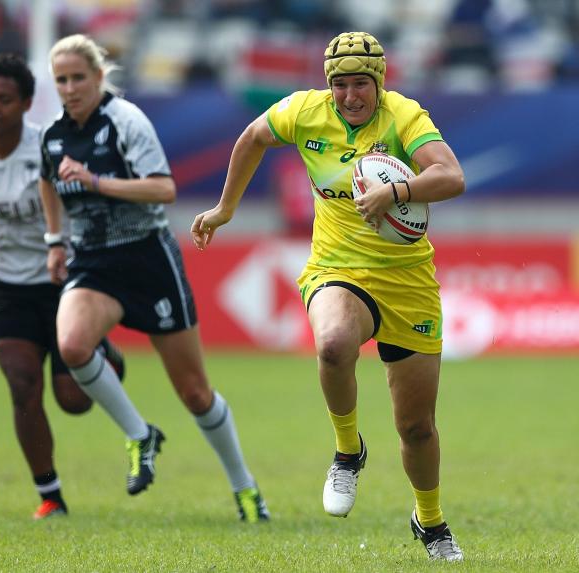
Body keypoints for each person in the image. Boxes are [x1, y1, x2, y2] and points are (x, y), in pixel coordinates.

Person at [192, 32, 465, 560]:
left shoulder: (404, 116)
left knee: (416, 427)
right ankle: (348, 451)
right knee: (334, 344)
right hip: (336, 268)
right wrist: (226, 209)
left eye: (361, 83)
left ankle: (429, 521)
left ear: (379, 83)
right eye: (339, 85)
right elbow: (252, 138)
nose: (350, 96)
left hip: (407, 283)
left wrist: (397, 192)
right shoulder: (305, 112)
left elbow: (451, 176)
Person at [37, 34, 269, 522]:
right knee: (73, 346)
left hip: (147, 259)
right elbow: (47, 178)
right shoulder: (53, 135)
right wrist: (55, 241)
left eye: (79, 77)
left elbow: (164, 189)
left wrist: (98, 182)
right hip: (94, 262)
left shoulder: (126, 121)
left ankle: (245, 487)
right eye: (62, 79)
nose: (71, 87)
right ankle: (140, 434)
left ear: (99, 77)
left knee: (194, 393)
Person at [0, 53, 127, 521]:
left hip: (63, 281)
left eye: (4, 99)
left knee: (73, 400)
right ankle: (51, 495)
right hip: (9, 287)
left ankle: (105, 356)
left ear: (26, 103)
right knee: (23, 386)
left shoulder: (49, 146)